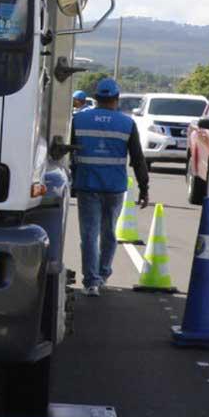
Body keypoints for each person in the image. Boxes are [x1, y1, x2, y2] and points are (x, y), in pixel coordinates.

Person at [72, 78, 150, 297]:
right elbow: (138, 158)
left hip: (87, 185)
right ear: (116, 99)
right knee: (109, 233)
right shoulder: (127, 123)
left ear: (95, 99)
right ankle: (103, 274)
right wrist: (144, 188)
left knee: (89, 234)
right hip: (114, 187)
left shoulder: (79, 120)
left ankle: (91, 282)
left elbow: (68, 152)